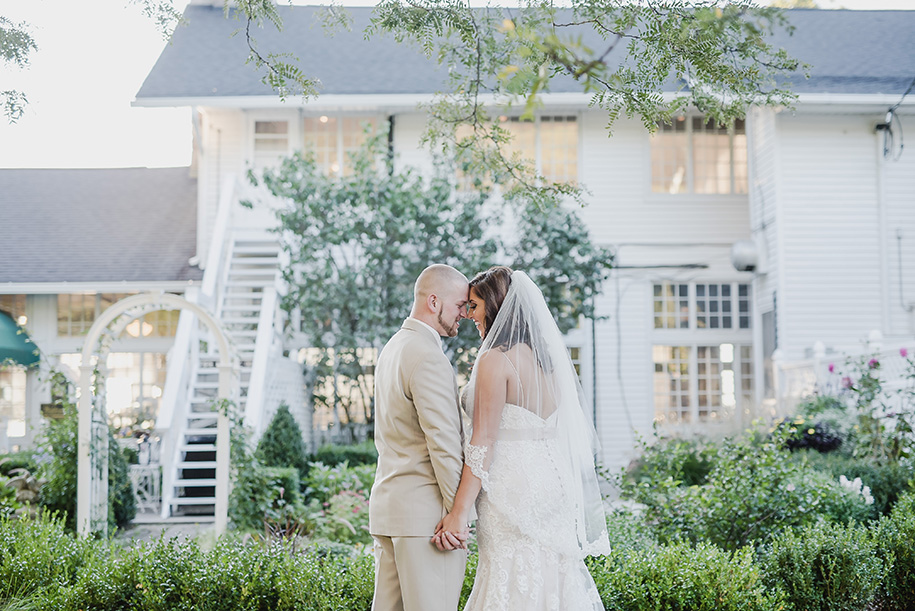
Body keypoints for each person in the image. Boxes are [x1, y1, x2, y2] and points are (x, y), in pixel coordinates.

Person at [434, 265, 610, 611]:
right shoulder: (550, 364)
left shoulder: (494, 361)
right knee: (552, 576)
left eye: (474, 306)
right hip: (552, 483)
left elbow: (483, 440)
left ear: (495, 305)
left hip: (511, 486)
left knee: (508, 573)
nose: (469, 315)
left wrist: (458, 511)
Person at [369, 263, 472, 611]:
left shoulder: (393, 347)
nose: (465, 314)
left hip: (390, 512)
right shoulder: (427, 355)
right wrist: (458, 514)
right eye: (460, 305)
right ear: (433, 301)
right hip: (426, 522)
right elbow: (443, 443)